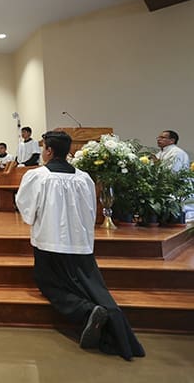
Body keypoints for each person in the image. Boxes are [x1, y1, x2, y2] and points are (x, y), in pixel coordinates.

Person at [15, 131, 145, 361]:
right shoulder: (84, 177)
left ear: (49, 151)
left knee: (48, 282)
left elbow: (26, 208)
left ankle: (86, 311)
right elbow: (89, 212)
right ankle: (107, 315)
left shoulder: (38, 176)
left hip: (49, 242)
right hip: (80, 243)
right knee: (88, 285)